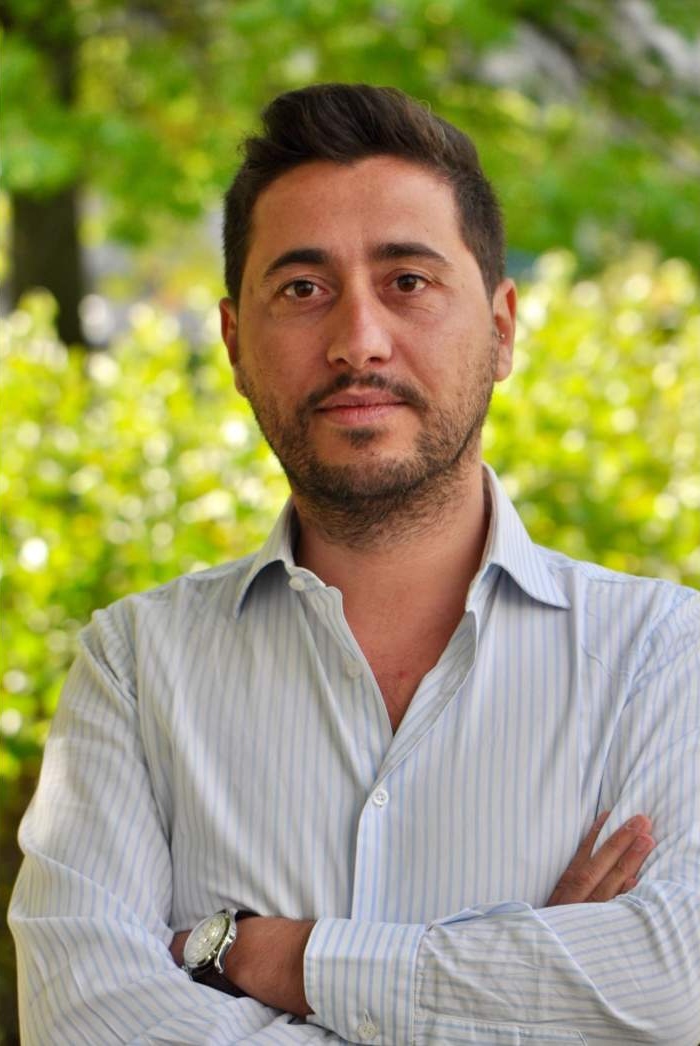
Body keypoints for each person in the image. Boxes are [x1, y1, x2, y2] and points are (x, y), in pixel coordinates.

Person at [9, 83, 700, 1045]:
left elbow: (679, 986)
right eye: (303, 289)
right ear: (234, 343)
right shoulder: (134, 669)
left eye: (408, 281)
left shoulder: (665, 656)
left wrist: (280, 958)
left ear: (502, 328)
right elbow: (84, 1022)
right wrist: (523, 988)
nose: (357, 342)